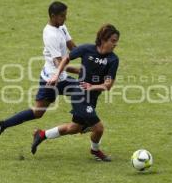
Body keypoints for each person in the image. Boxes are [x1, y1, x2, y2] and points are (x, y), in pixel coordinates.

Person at [0, 1, 79, 145]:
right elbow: (58, 63)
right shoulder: (50, 34)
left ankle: (83, 122)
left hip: (60, 78)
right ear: (53, 16)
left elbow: (73, 47)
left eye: (65, 15)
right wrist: (79, 70)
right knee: (38, 112)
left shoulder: (61, 26)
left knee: (83, 90)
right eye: (62, 16)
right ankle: (2, 125)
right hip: (51, 80)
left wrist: (89, 57)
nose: (65, 18)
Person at [31, 24, 120, 162]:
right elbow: (66, 59)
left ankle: (42, 135)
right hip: (79, 95)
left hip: (92, 97)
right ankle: (95, 151)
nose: (115, 44)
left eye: (116, 41)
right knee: (99, 128)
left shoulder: (113, 60)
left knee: (74, 128)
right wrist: (56, 75)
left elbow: (108, 85)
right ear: (103, 39)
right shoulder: (86, 49)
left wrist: (92, 87)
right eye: (113, 41)